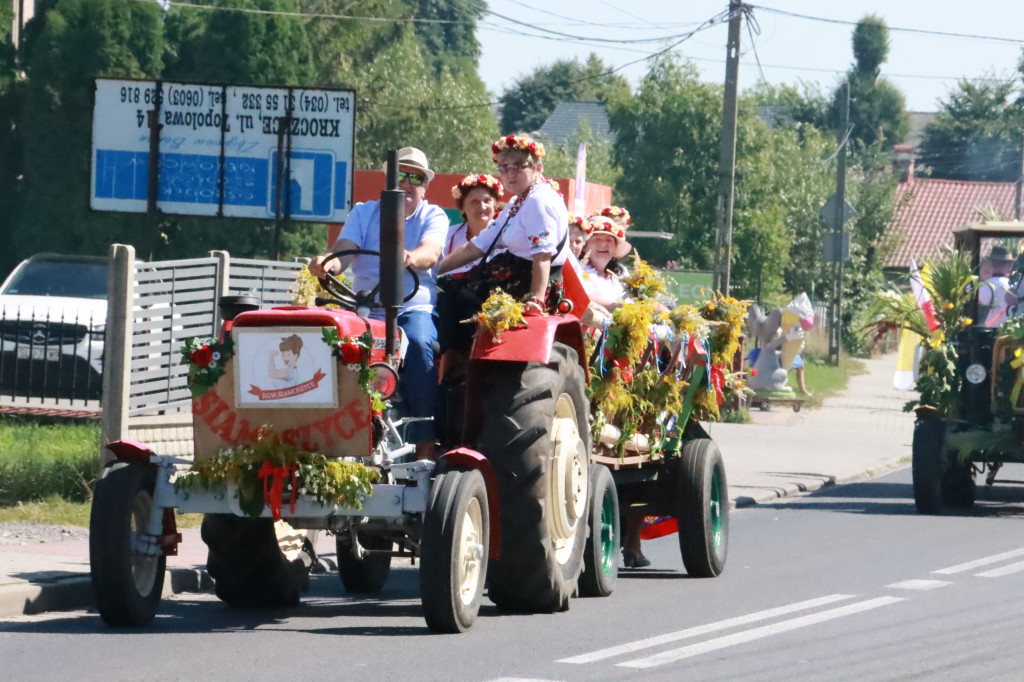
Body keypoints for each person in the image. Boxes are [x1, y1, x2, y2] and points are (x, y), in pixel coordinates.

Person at [309, 147, 448, 461]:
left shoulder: (432, 215)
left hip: (411, 306)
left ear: (425, 185)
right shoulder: (363, 212)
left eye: (416, 177)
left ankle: (424, 443)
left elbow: (432, 251)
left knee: (419, 343)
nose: (407, 182)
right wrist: (328, 263)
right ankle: (323, 436)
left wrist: (410, 257)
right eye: (400, 175)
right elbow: (345, 249)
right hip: (364, 307)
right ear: (388, 181)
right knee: (328, 344)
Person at [439, 134, 570, 317]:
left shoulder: (538, 200)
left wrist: (535, 300)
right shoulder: (519, 201)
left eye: (518, 166)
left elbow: (542, 255)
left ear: (537, 168)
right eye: (503, 168)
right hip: (507, 275)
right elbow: (478, 245)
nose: (509, 174)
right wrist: (433, 271)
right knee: (446, 289)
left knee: (455, 302)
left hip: (524, 283)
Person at [978, 245, 1018, 327]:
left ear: (992, 263)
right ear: (1008, 264)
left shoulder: (985, 286)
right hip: (1012, 333)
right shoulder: (1015, 286)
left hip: (989, 333)